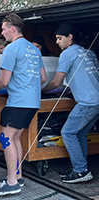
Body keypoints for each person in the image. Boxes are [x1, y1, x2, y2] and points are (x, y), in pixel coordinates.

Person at [0, 13, 47, 196]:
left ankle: (12, 182)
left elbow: (4, 80)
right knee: (14, 138)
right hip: (32, 102)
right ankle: (17, 176)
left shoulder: (12, 48)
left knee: (5, 138)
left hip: (17, 102)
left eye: (3, 29)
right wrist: (28, 87)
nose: (2, 32)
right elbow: (44, 78)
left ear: (12, 29)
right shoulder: (35, 49)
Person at [42, 23, 99, 183]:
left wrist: (39, 92)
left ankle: (81, 170)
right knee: (79, 133)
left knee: (67, 132)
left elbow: (56, 82)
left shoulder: (67, 54)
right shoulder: (89, 53)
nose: (57, 42)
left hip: (87, 102)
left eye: (60, 38)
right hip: (96, 101)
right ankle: (80, 167)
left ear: (70, 37)